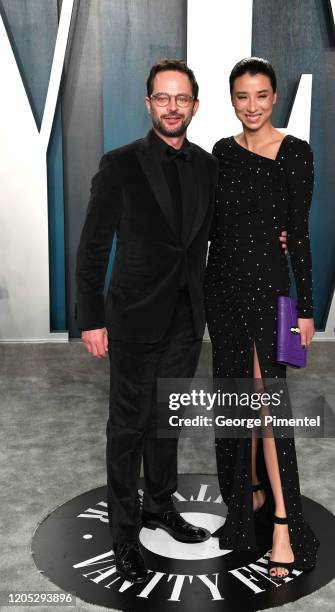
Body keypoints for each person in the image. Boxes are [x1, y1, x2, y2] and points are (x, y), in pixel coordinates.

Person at [76, 59, 220, 584]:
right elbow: (92, 247)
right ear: (149, 104)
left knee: (167, 422)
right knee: (128, 429)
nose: (173, 107)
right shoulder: (119, 165)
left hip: (187, 318)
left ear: (195, 106)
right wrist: (91, 317)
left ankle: (161, 507)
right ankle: (123, 533)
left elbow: (211, 239)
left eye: (182, 98)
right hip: (133, 318)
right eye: (163, 98)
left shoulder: (207, 166)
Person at [204, 57, 320, 579]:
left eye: (261, 96)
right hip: (223, 291)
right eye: (242, 97)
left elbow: (299, 234)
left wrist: (307, 310)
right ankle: (244, 502)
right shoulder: (222, 154)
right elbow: (209, 227)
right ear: (232, 100)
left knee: (268, 406)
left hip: (272, 292)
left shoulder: (295, 153)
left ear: (275, 98)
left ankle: (282, 522)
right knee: (237, 401)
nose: (252, 106)